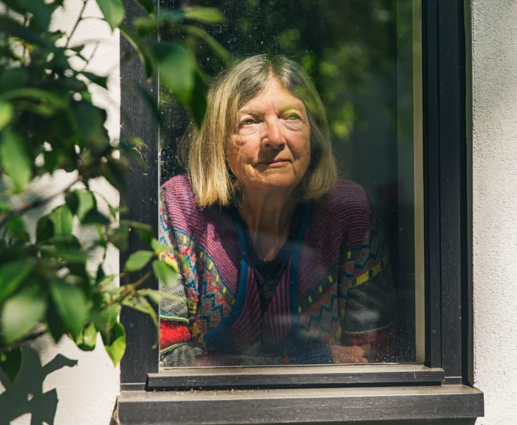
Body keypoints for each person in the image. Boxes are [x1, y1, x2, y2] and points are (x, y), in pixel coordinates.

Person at [159, 55, 395, 367]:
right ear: (219, 141)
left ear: (313, 133)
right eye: (250, 121)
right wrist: (312, 361)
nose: (275, 137)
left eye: (291, 117)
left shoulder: (348, 213)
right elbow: (164, 361)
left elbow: (374, 357)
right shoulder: (181, 211)